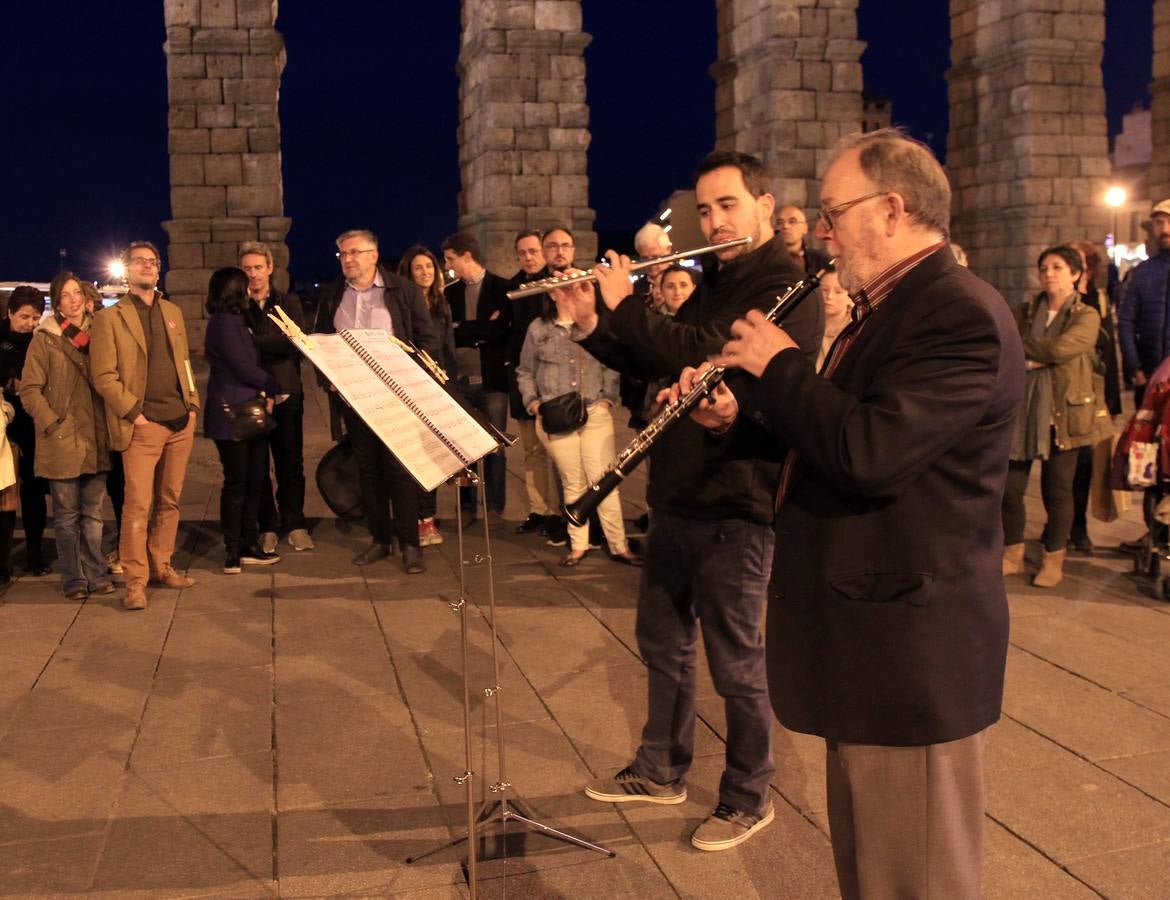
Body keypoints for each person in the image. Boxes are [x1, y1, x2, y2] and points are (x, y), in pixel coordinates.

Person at [688, 129, 1024, 897]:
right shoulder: (893, 306)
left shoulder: (955, 313)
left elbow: (871, 449)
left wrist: (778, 365)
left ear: (894, 209)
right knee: (874, 874)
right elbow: (831, 434)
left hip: (909, 651)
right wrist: (738, 416)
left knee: (913, 879)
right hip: (870, 640)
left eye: (836, 213)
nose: (825, 233)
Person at [572, 150, 821, 852]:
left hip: (739, 500)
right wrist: (594, 323)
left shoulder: (784, 284)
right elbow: (663, 354)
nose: (713, 221)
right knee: (662, 643)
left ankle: (749, 795)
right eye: (704, 210)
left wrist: (625, 304)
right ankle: (661, 770)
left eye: (728, 205)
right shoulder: (715, 276)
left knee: (737, 661)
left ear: (766, 206)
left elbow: (705, 348)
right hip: (681, 492)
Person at [313, 228, 440, 574]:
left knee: (400, 471)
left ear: (373, 254)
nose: (348, 260)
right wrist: (329, 382)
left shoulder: (404, 291)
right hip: (355, 400)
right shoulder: (332, 293)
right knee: (368, 472)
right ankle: (380, 539)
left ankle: (410, 544)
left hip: (396, 397)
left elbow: (428, 339)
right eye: (343, 254)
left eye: (354, 252)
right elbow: (319, 341)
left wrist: (409, 378)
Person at [91, 241, 201, 610]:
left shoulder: (172, 311)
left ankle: (162, 566)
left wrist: (192, 403)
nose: (148, 267)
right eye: (139, 262)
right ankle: (135, 581)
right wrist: (134, 412)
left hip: (179, 421)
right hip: (143, 423)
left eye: (153, 262)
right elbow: (103, 376)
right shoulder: (110, 318)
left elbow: (183, 361)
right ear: (126, 270)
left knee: (169, 500)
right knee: (138, 505)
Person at [1001, 246, 1112, 587]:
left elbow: (1063, 349)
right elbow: (1010, 342)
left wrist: (1030, 351)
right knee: (1009, 487)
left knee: (1058, 490)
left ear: (1076, 274)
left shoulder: (1086, 314)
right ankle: (1012, 553)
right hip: (1025, 410)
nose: (1049, 273)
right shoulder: (1027, 308)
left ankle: (1053, 559)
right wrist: (1034, 355)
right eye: (1044, 267)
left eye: (1058, 267)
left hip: (1066, 413)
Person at [516, 285, 640, 568]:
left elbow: (612, 363)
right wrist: (534, 403)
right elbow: (525, 370)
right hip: (556, 415)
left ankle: (619, 545)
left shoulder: (594, 323)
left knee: (605, 480)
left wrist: (608, 398)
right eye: (562, 289)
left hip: (594, 410)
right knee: (573, 481)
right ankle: (578, 544)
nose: (569, 293)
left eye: (574, 288)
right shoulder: (539, 328)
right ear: (551, 294)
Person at [19, 273, 113, 600]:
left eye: (77, 293)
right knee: (66, 516)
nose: (73, 300)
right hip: (62, 438)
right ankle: (73, 578)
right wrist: (52, 423)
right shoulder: (45, 338)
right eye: (66, 295)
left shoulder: (101, 332)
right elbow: (29, 389)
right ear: (57, 302)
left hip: (95, 436)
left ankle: (97, 573)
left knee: (93, 515)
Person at [204, 267, 281, 574]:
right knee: (238, 482)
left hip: (248, 411)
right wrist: (273, 385)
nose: (251, 289)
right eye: (246, 285)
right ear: (236, 290)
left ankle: (248, 543)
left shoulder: (237, 321)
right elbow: (244, 367)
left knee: (254, 480)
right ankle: (233, 549)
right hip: (233, 415)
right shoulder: (225, 323)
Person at [239, 241, 314, 554]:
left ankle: (295, 522)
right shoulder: (237, 307)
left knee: (290, 462)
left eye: (259, 267)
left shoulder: (288, 302)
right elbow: (235, 348)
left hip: (285, 393)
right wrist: (271, 340)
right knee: (257, 466)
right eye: (247, 269)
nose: (254, 274)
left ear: (270, 268)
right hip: (250, 396)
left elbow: (293, 342)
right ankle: (267, 525)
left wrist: (252, 341)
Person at [441, 231, 513, 518]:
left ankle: (495, 508)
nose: (448, 266)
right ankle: (467, 506)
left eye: (450, 259)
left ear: (467, 256)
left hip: (493, 379)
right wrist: (480, 328)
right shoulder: (450, 293)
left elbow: (500, 331)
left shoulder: (502, 288)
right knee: (462, 448)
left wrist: (464, 328)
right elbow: (450, 334)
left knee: (496, 447)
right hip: (460, 381)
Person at [398, 244, 457, 547]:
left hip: (436, 388)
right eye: (418, 267)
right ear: (407, 273)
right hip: (406, 387)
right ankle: (409, 519)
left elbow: (447, 348)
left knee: (431, 456)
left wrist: (450, 388)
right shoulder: (401, 305)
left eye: (429, 267)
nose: (424, 272)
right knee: (409, 457)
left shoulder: (441, 304)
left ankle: (427, 519)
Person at [1067, 239, 1122, 554]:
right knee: (1061, 465)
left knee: (1086, 461)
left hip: (1091, 391)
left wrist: (1113, 400)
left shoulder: (1098, 300)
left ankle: (1078, 525)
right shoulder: (1054, 299)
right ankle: (1060, 524)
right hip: (1063, 389)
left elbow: (1109, 352)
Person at [506, 230, 559, 537]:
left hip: (553, 382)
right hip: (524, 382)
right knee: (531, 451)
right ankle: (538, 509)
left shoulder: (555, 284)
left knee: (558, 452)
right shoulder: (512, 287)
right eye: (522, 252)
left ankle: (559, 512)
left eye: (533, 251)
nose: (528, 257)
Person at [0, 286, 50, 578]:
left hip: (30, 425)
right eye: (24, 317)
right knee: (5, 495)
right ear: (9, 312)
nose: (31, 323)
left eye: (36, 317)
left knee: (33, 493)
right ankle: (3, 562)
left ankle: (35, 555)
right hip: (4, 427)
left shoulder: (40, 341)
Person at [1118, 198, 1170, 407]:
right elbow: (1126, 321)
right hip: (1150, 374)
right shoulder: (1142, 272)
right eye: (1159, 223)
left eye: (1169, 222)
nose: (1164, 229)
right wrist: (1134, 368)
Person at [775, 204, 831, 275]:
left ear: (805, 228)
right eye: (780, 223)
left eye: (792, 221)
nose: (785, 226)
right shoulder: (766, 260)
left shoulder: (822, 260)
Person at [815, 266, 853, 370]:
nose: (830, 296)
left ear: (849, 295)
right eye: (824, 289)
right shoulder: (807, 323)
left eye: (838, 291)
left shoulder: (856, 327)